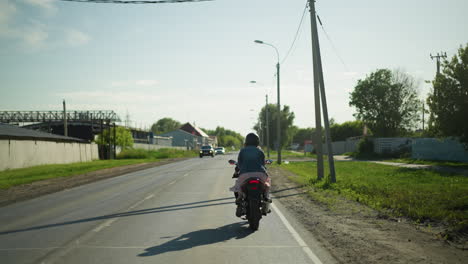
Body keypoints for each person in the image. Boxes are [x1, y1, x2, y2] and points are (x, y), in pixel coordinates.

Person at [230, 133, 271, 217]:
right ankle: (266, 198)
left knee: (237, 187)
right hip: (260, 174)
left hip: (245, 174)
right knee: (267, 184)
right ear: (257, 141)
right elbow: (263, 164)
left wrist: (236, 172)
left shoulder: (242, 151)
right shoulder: (260, 151)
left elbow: (239, 164)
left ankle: (239, 201)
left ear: (246, 141)